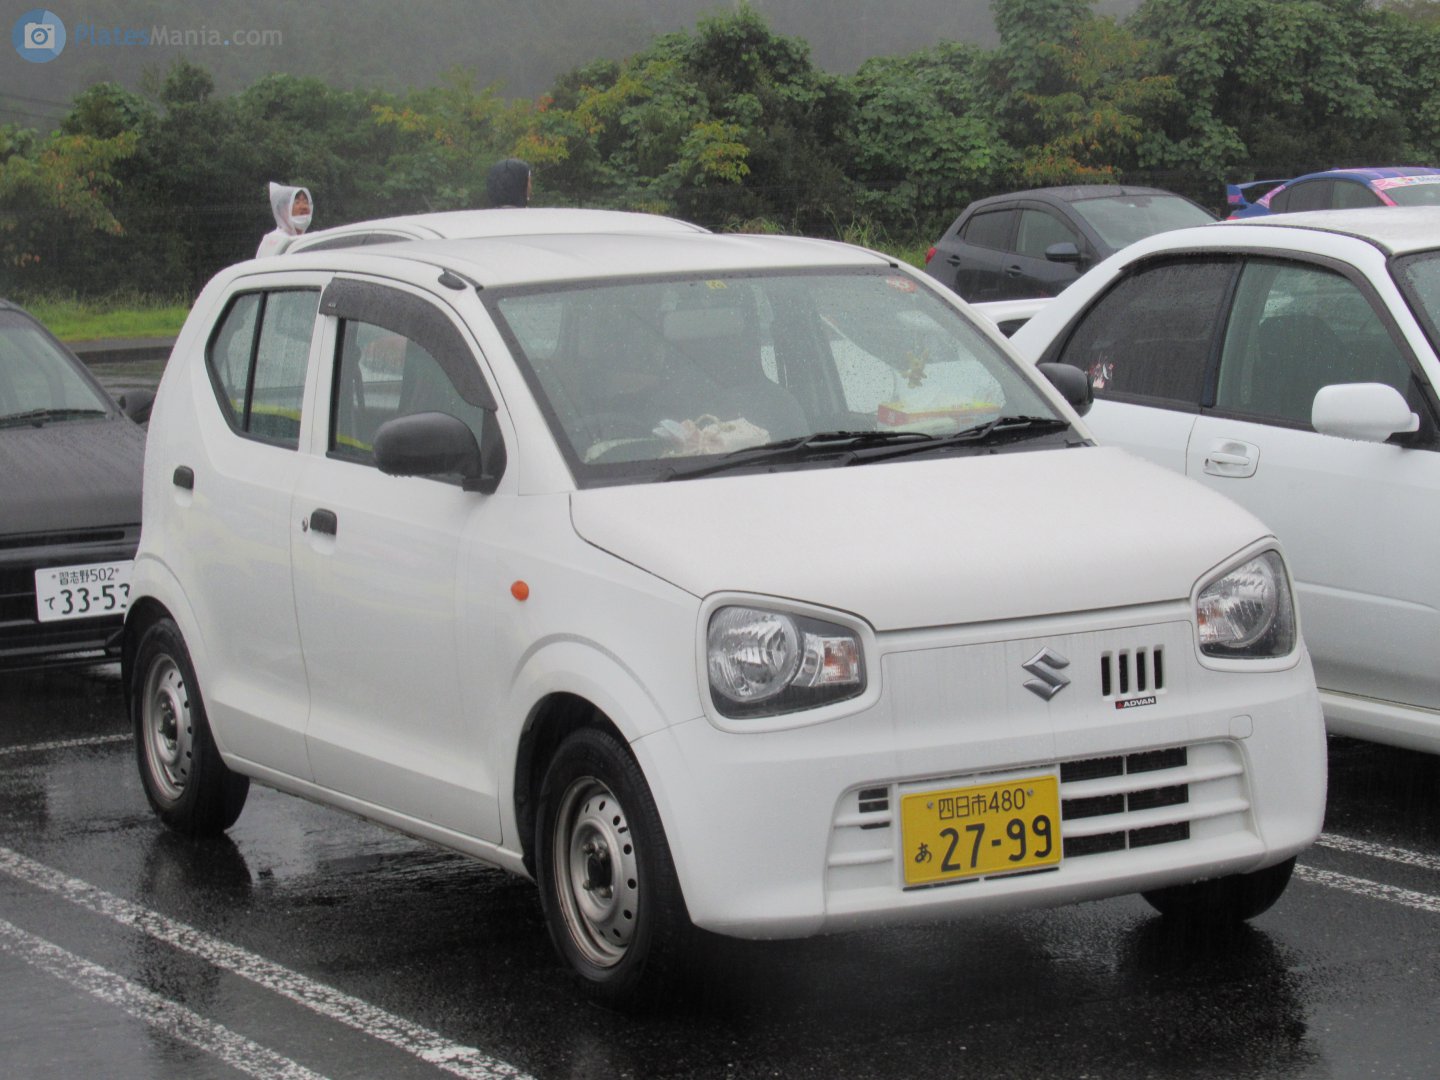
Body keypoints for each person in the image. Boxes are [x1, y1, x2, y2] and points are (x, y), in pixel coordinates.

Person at [256, 182, 314, 257]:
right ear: (284, 210)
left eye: (306, 202)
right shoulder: (274, 240)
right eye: (297, 202)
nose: (304, 207)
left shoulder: (308, 240)